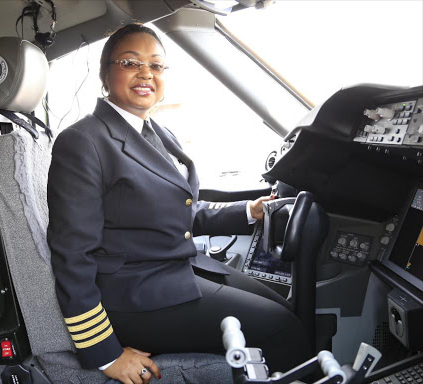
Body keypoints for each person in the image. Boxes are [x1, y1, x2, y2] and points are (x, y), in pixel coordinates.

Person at [47, 23, 310, 384]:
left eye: (156, 66)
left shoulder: (154, 131)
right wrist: (105, 353)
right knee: (283, 330)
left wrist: (250, 212)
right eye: (130, 62)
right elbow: (71, 254)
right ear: (105, 74)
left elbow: (180, 212)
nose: (146, 74)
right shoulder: (82, 141)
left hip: (175, 271)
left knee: (285, 308)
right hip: (134, 297)